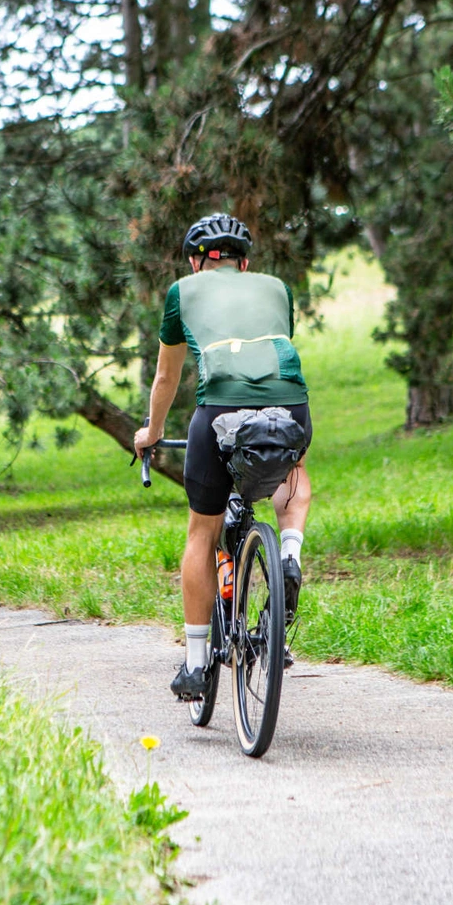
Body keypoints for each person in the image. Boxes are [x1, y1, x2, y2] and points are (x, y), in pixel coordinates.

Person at [134, 214, 313, 699]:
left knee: (202, 530)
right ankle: (290, 553)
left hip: (220, 408)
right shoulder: (277, 287)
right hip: (289, 403)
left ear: (196, 262)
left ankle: (195, 664)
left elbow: (167, 379)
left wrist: (152, 432)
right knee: (291, 471)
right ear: (245, 261)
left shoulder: (182, 292)